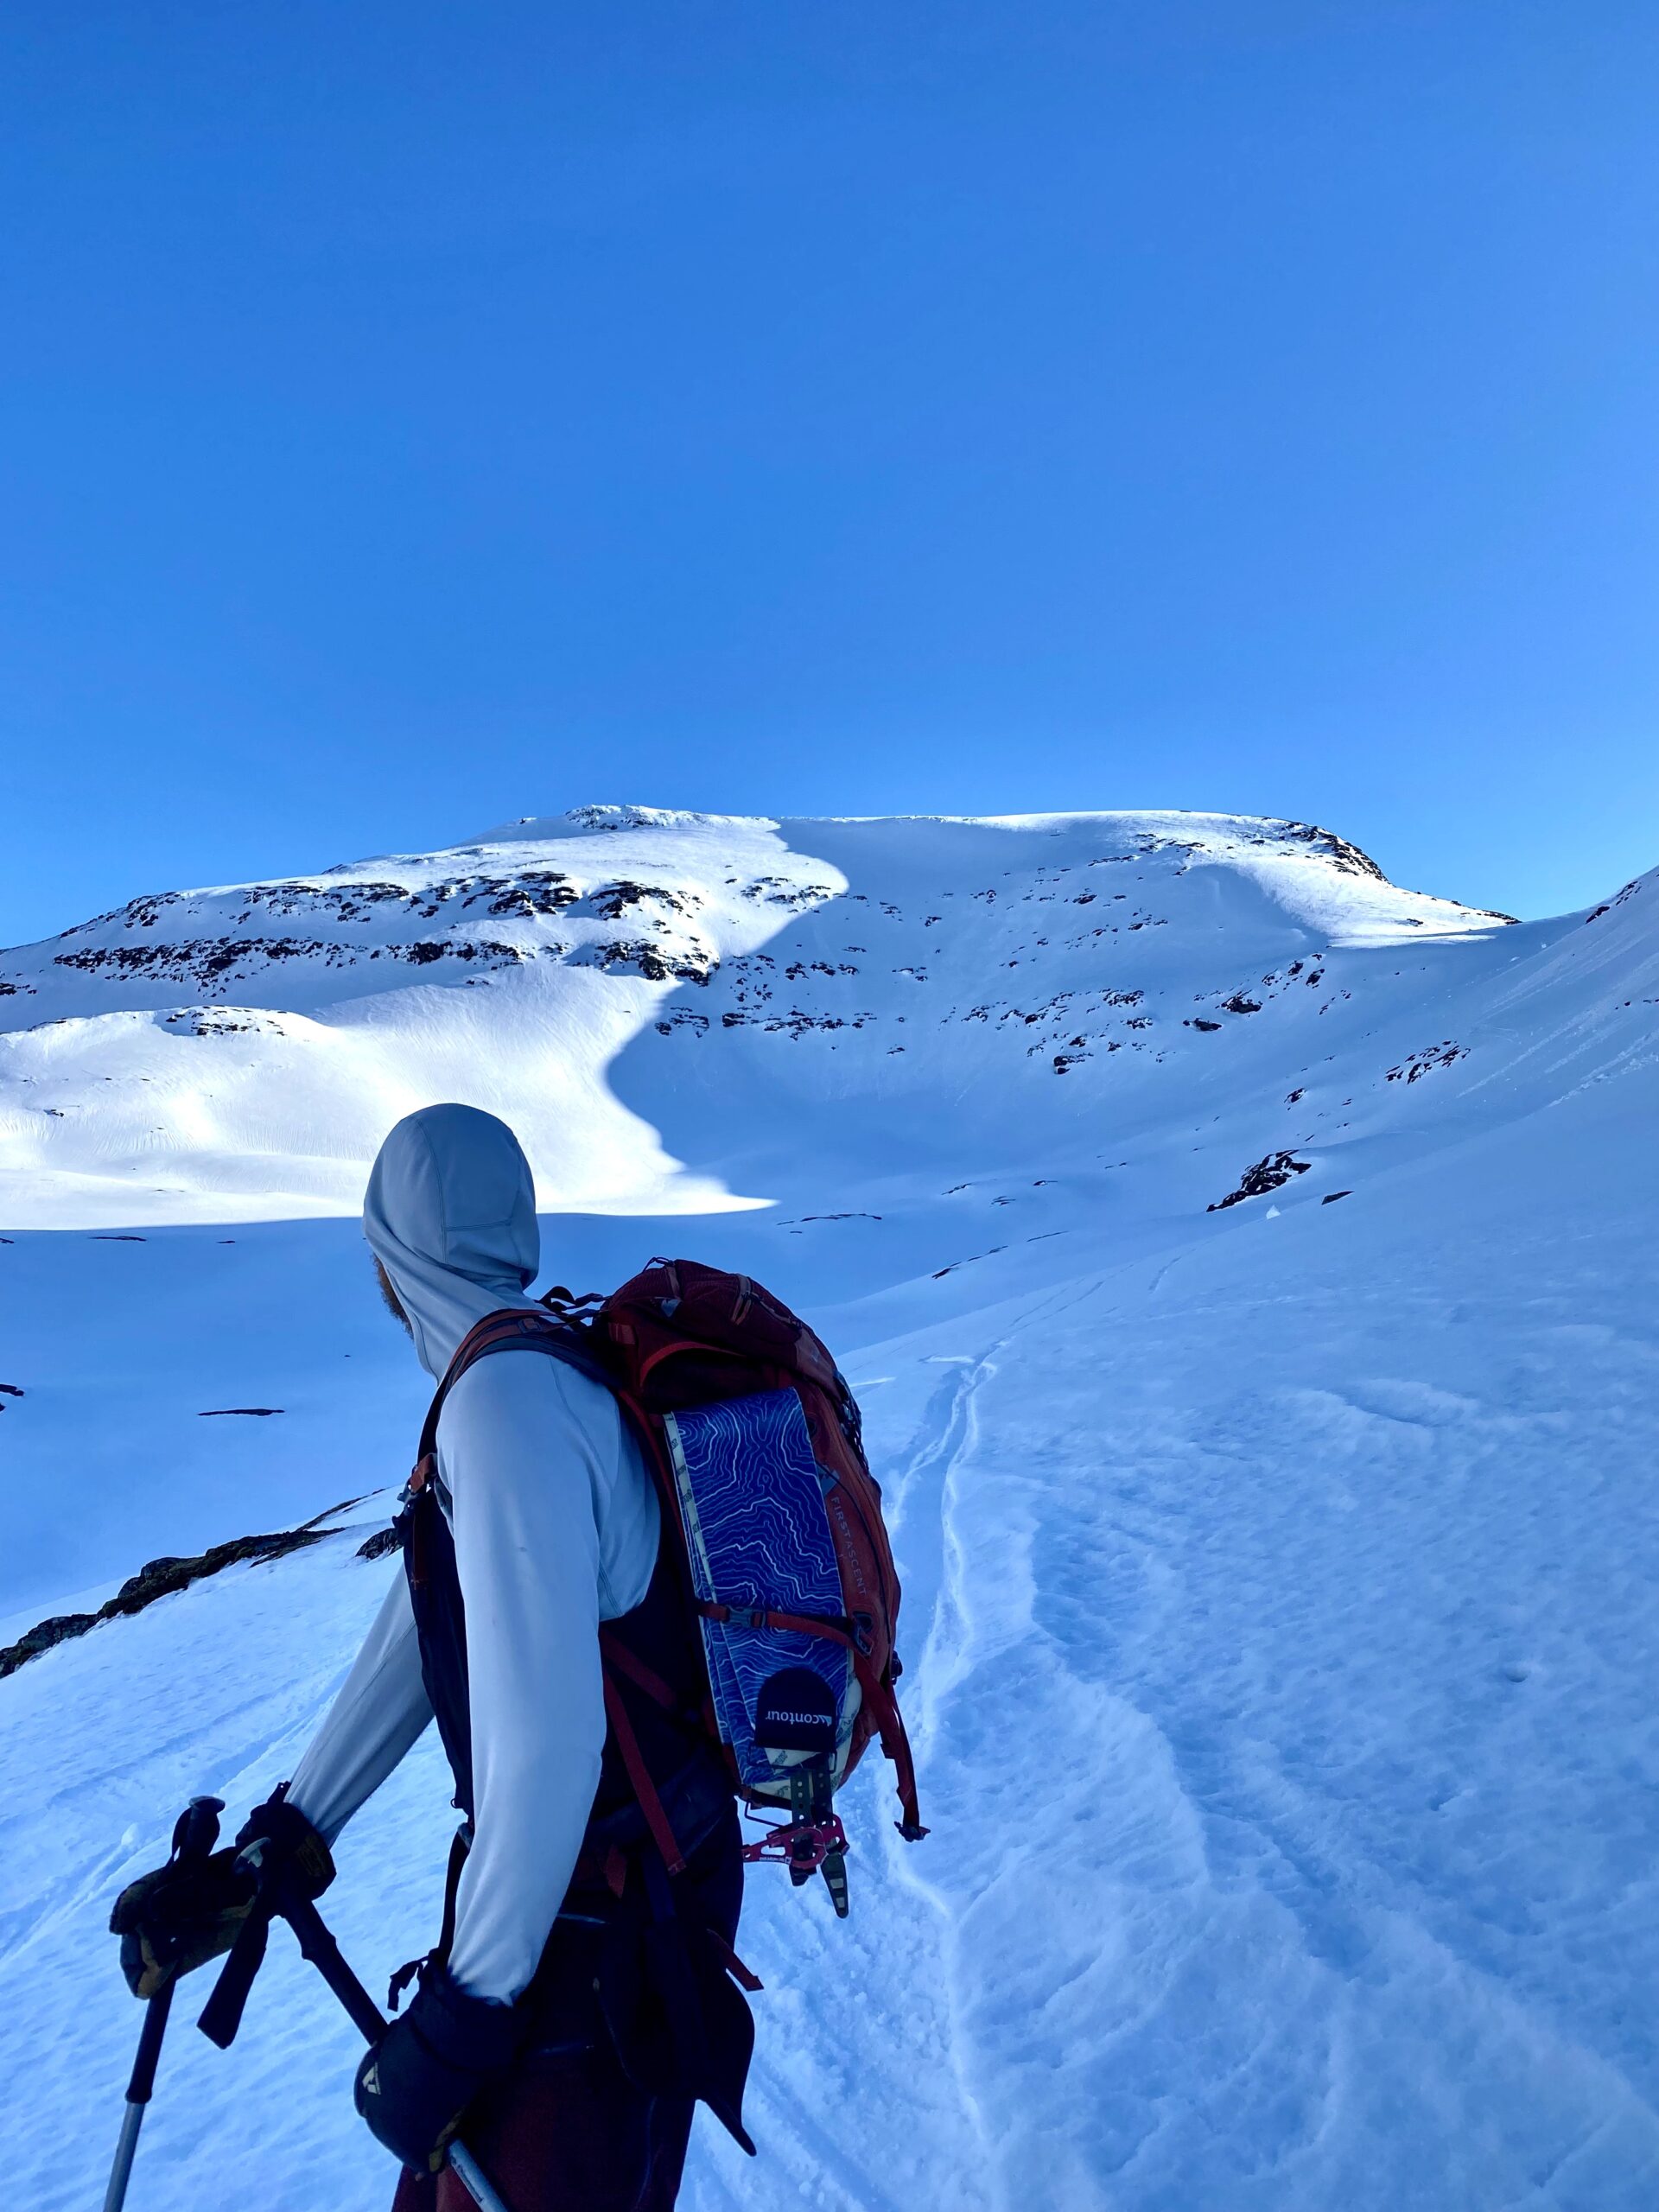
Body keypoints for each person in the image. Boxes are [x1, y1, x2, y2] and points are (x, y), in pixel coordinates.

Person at [119, 1103, 748, 2210]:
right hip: (623, 1892)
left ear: (394, 1250)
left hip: (597, 1927)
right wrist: (289, 1833)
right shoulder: (533, 1366)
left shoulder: (506, 1400)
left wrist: (466, 2018)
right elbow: (431, 1620)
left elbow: (550, 1753)